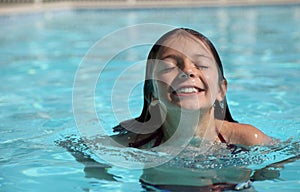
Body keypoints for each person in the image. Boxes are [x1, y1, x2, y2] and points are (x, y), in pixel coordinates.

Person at [113, 28, 273, 149]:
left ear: (220, 89)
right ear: (152, 94)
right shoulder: (137, 143)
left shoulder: (248, 139)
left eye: (201, 65)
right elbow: (89, 153)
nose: (188, 71)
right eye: (169, 67)